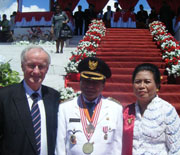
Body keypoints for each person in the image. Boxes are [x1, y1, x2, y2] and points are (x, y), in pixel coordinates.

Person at [55, 57, 123, 155]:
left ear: (103, 85)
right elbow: (60, 145)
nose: (90, 86)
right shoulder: (65, 108)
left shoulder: (115, 109)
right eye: (86, 81)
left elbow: (117, 146)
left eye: (95, 83)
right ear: (80, 82)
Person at [0, 46, 60, 155]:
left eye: (41, 66)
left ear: (47, 69)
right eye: (31, 66)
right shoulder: (4, 97)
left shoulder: (53, 96)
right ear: (22, 66)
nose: (36, 71)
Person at [122, 63, 180, 155]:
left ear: (157, 85)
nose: (141, 86)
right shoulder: (127, 111)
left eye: (147, 82)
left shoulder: (167, 111)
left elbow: (176, 149)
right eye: (137, 82)